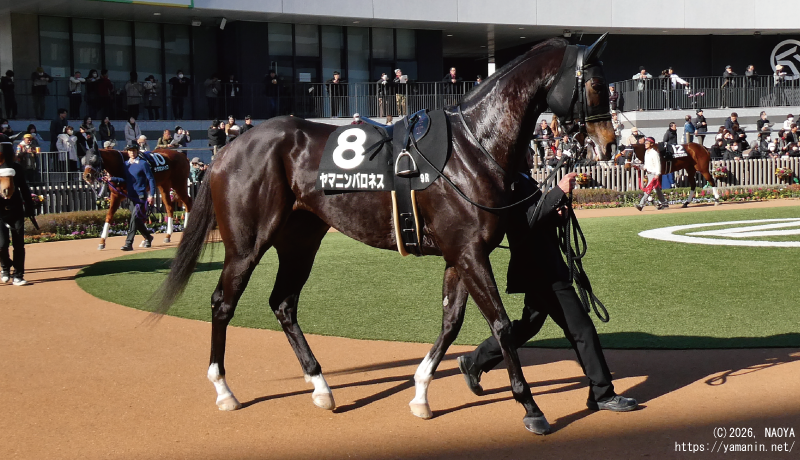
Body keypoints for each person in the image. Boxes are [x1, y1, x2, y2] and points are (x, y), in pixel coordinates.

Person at [457, 171, 638, 416]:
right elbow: (526, 221)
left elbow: (537, 221)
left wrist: (558, 214)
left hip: (539, 268)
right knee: (581, 329)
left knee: (529, 324)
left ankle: (476, 360)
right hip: (543, 271)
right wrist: (558, 191)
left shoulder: (522, 178)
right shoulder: (511, 182)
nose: (531, 155)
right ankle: (601, 392)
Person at [0, 136, 36, 285]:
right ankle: (5, 267)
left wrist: (29, 206)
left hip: (16, 209)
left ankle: (19, 274)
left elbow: (24, 188)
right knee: (1, 244)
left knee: (18, 243)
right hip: (0, 211)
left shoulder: (17, 168)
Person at [120, 144, 155, 251]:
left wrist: (151, 195)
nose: (132, 152)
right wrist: (111, 179)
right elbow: (124, 180)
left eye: (134, 150)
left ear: (137, 151)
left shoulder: (143, 164)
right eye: (130, 151)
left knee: (133, 219)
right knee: (137, 221)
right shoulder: (126, 164)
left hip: (140, 197)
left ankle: (128, 243)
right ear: (128, 152)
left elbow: (151, 179)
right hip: (130, 197)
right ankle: (148, 237)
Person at [635, 137, 667, 211]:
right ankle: (664, 203)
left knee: (648, 190)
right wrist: (639, 167)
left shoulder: (654, 153)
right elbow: (646, 166)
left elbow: (658, 164)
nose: (645, 144)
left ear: (651, 144)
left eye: (647, 143)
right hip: (649, 173)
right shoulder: (646, 152)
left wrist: (657, 174)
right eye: (645, 143)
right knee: (657, 190)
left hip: (653, 174)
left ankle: (641, 205)